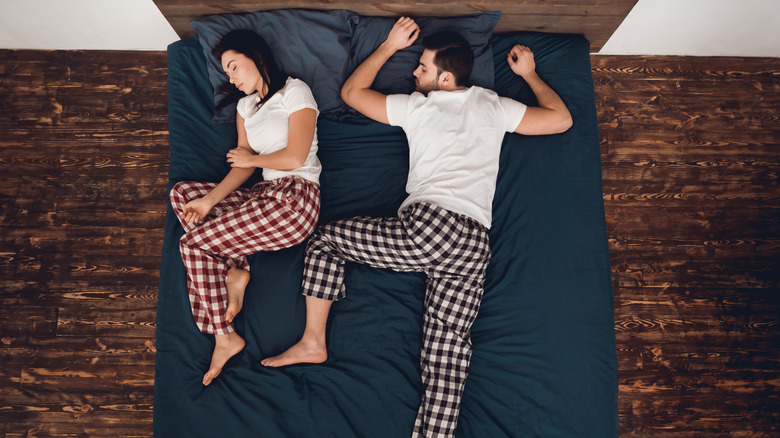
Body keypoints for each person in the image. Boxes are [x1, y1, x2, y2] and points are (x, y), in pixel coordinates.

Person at [262, 17, 572, 437]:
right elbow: (560, 120)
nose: (414, 74)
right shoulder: (493, 104)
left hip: (432, 229)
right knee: (446, 355)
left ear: (445, 78)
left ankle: (314, 341)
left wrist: (388, 46)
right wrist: (531, 75)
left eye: (421, 68)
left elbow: (352, 93)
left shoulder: (418, 106)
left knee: (325, 242)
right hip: (474, 245)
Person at [169, 30, 322, 387]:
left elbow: (295, 156)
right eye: (227, 73)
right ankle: (234, 270)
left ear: (257, 57)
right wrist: (208, 201)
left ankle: (224, 335)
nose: (232, 78)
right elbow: (243, 169)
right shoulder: (244, 108)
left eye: (234, 66)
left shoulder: (294, 92)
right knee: (183, 194)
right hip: (260, 195)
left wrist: (253, 157)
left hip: (294, 199)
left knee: (192, 245)